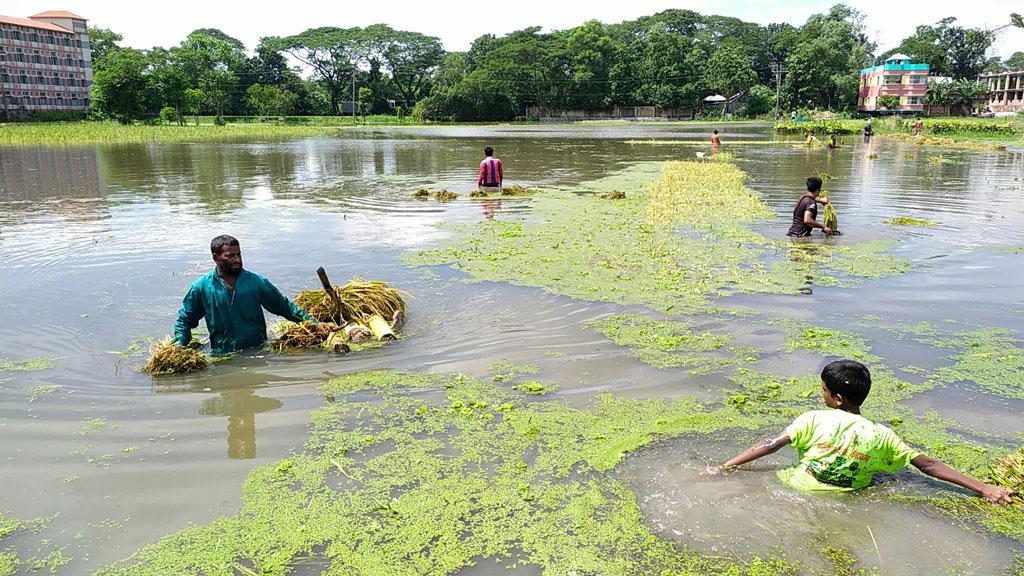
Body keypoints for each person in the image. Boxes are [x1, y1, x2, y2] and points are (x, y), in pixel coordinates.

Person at [712, 360, 1014, 504]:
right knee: (888, 475)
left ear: (837, 398)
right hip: (847, 497)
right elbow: (928, 465)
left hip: (795, 489)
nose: (822, 392)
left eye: (824, 389)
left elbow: (770, 444)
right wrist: (984, 487)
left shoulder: (813, 419)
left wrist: (725, 467)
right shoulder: (883, 435)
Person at [174, 235, 334, 355]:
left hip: (257, 351)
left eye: (239, 254)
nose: (237, 259)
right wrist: (179, 345)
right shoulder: (202, 287)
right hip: (222, 354)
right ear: (215, 257)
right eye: (230, 256)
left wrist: (314, 323)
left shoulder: (256, 282)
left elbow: (285, 307)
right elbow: (185, 320)